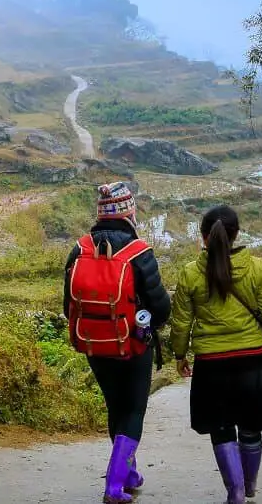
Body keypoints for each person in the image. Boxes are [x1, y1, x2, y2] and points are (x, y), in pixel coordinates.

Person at [169, 205, 262, 504]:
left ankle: (234, 493)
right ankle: (248, 487)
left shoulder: (190, 273)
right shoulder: (257, 269)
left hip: (211, 365)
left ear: (203, 238)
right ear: (236, 235)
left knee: (221, 429)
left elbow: (181, 323)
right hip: (253, 360)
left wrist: (180, 355)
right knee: (250, 427)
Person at [63, 181, 170, 503]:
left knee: (115, 408)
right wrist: (150, 325)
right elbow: (160, 308)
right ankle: (114, 485)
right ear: (129, 214)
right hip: (133, 345)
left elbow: (67, 305)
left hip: (93, 343)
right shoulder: (139, 253)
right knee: (134, 410)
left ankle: (130, 473)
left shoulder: (79, 249)